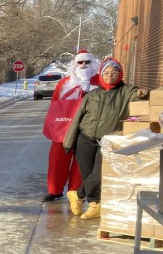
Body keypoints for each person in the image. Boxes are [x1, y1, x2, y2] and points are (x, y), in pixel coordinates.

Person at [63, 57, 149, 220]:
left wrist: (142, 94)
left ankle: (78, 195)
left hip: (108, 141)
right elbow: (78, 117)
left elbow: (139, 96)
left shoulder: (127, 91)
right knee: (88, 175)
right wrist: (70, 141)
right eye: (106, 72)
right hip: (85, 138)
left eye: (114, 72)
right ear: (102, 74)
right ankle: (95, 205)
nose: (110, 75)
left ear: (120, 73)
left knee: (100, 174)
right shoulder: (92, 94)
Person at [41, 50, 99, 202]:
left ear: (93, 64)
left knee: (81, 160)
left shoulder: (99, 82)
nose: (84, 65)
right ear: (75, 64)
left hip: (87, 127)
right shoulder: (65, 83)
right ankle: (54, 190)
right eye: (80, 62)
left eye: (87, 62)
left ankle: (76, 192)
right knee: (57, 159)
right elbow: (55, 104)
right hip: (64, 127)